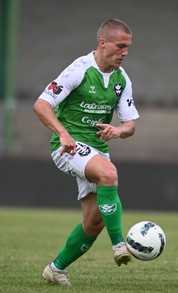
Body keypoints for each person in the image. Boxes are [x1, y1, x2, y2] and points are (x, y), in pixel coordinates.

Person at [33, 18, 139, 286]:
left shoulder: (121, 79)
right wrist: (62, 133)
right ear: (102, 43)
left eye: (128, 47)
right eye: (120, 46)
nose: (125, 52)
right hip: (66, 146)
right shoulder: (79, 70)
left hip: (97, 150)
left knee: (94, 223)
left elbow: (130, 125)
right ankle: (119, 246)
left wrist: (118, 130)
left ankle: (55, 269)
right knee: (109, 174)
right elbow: (41, 105)